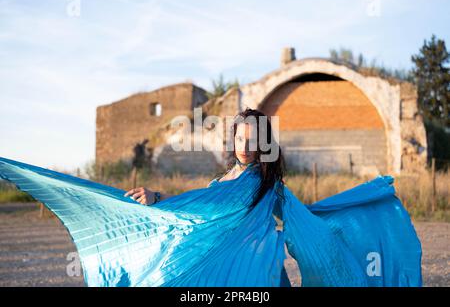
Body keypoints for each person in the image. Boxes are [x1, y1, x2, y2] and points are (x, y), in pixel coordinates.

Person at [0, 108, 422, 287]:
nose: (244, 141)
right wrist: (157, 199)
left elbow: (299, 222)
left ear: (264, 143)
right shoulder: (229, 178)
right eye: (239, 134)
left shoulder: (261, 182)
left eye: (253, 136)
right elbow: (204, 207)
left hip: (259, 278)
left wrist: (343, 218)